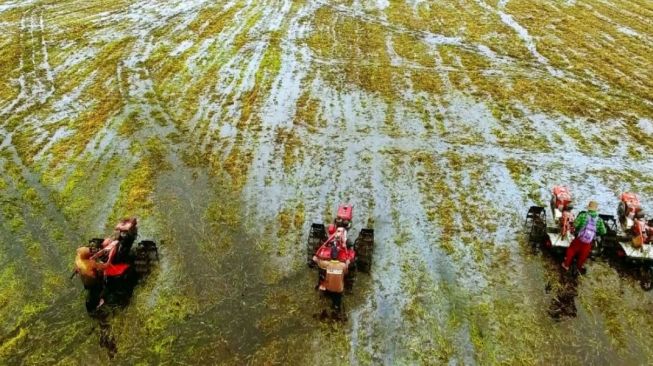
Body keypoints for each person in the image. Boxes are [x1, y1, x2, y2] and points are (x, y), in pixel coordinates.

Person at [562, 201, 606, 273]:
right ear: (596, 209)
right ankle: (579, 267)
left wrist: (577, 228)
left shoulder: (583, 215)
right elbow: (604, 231)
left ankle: (566, 265)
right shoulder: (599, 220)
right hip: (588, 242)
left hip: (579, 239)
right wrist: (596, 232)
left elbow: (575, 225)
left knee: (571, 249)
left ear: (588, 208)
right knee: (584, 254)